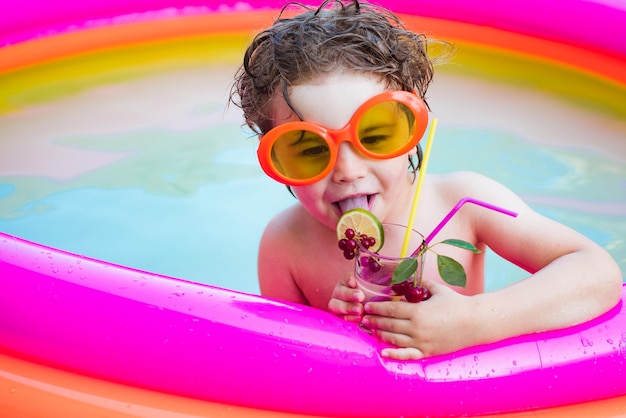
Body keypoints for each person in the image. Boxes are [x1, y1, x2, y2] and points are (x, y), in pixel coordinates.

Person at [229, 0, 622, 360]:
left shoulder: (464, 205)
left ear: (411, 129)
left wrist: (474, 323)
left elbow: (596, 273)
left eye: (375, 135)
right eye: (310, 150)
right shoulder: (285, 245)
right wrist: (335, 331)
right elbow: (285, 361)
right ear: (275, 158)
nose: (348, 171)